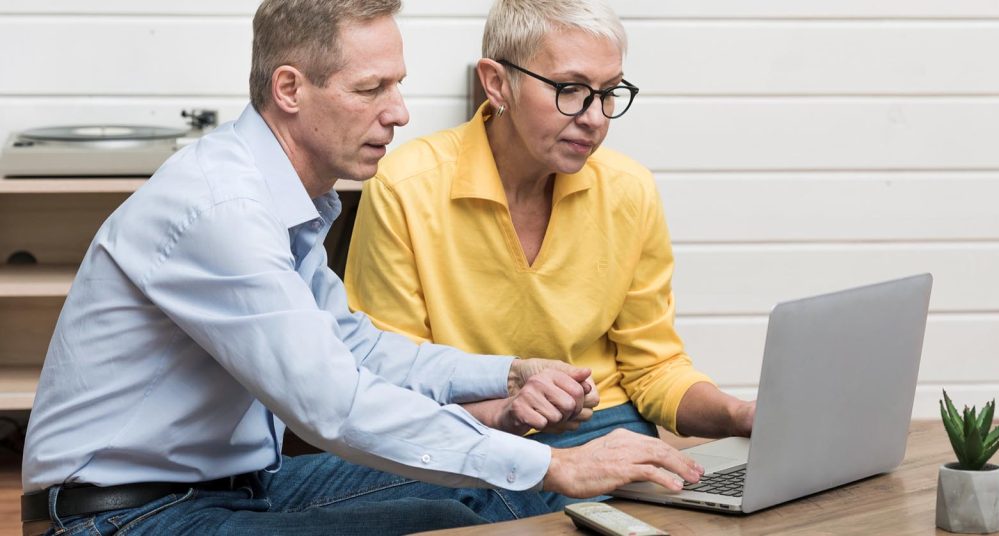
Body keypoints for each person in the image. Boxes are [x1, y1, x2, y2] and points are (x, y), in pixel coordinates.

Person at [20, 1, 706, 535]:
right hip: (122, 517)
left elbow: (354, 346)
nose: (400, 112)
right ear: (290, 88)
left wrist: (505, 373)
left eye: (397, 85)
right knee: (442, 522)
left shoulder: (288, 195)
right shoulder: (221, 209)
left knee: (478, 483)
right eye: (371, 88)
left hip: (239, 485)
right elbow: (333, 404)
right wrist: (559, 463)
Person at [345, 0, 756, 509]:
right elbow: (391, 382)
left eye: (609, 93)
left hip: (609, 428)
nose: (594, 118)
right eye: (570, 90)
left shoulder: (630, 190)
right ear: (497, 83)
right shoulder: (404, 187)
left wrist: (742, 415)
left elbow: (654, 371)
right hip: (469, 435)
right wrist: (504, 410)